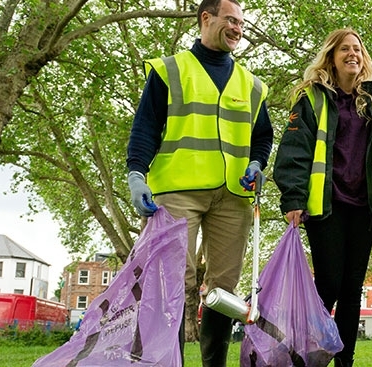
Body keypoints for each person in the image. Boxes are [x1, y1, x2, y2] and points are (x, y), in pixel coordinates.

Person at [125, 0, 273, 365]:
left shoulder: (252, 85)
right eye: (230, 20)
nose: (238, 29)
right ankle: (166, 360)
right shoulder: (171, 70)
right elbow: (145, 127)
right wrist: (135, 174)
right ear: (206, 18)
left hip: (233, 196)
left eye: (241, 23)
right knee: (173, 282)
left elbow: (263, 136)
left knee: (224, 288)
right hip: (179, 192)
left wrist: (257, 162)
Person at [272, 28, 372, 367]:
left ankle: (345, 359)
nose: (352, 54)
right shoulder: (311, 99)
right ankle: (307, 352)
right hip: (326, 206)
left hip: (365, 208)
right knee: (329, 282)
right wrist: (293, 198)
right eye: (344, 49)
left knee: (353, 286)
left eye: (357, 49)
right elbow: (294, 152)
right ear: (331, 57)